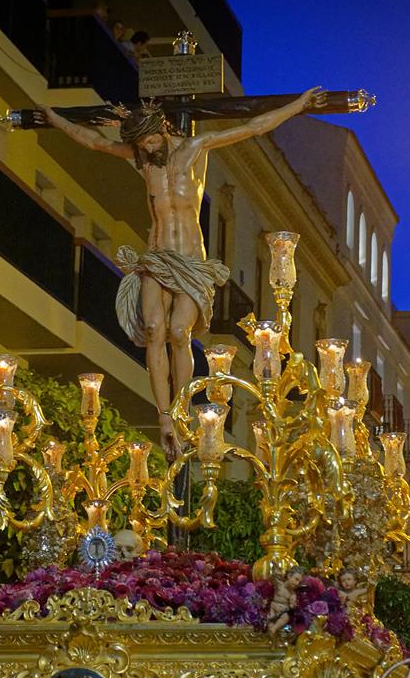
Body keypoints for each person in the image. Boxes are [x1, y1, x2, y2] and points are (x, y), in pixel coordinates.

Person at [34, 87, 326, 459]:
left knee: (177, 332)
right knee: (154, 330)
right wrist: (55, 118)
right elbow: (92, 141)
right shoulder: (143, 160)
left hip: (190, 262)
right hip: (156, 258)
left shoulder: (195, 149)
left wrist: (299, 105)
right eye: (139, 144)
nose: (145, 149)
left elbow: (255, 126)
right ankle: (165, 418)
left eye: (149, 140)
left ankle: (183, 408)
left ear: (162, 129)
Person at [267, 566, 304, 635]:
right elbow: (273, 578)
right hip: (273, 607)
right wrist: (275, 573)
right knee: (270, 618)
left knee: (286, 617)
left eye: (299, 582)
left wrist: (292, 605)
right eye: (296, 579)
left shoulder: (292, 593)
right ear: (289, 576)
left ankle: (274, 628)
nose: (297, 583)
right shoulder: (280, 585)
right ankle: (271, 628)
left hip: (283, 610)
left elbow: (292, 604)